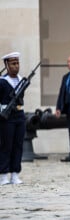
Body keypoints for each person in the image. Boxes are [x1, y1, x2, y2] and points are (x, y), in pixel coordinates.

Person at [0, 52, 26, 185]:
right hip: (7, 117)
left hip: (20, 115)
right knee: (6, 145)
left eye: (17, 63)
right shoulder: (2, 82)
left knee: (18, 145)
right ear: (6, 65)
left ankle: (15, 174)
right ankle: (4, 174)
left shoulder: (21, 80)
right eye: (13, 64)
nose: (16, 66)